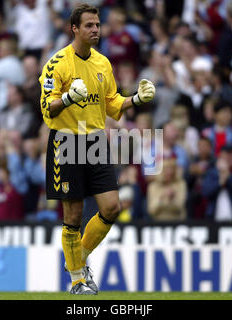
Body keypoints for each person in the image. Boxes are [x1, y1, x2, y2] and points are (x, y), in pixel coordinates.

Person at [38, 4, 155, 295]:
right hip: (66, 141)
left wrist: (137, 99)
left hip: (95, 142)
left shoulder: (103, 63)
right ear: (74, 29)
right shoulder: (57, 63)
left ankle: (78, 258)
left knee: (112, 207)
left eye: (97, 25)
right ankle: (78, 280)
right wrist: (66, 99)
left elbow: (113, 104)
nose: (95, 30)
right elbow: (46, 108)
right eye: (89, 25)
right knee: (73, 215)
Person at [202, 145, 232, 221]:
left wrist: (227, 175)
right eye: (227, 155)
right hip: (214, 219)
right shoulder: (211, 173)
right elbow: (206, 192)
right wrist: (219, 183)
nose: (230, 157)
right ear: (220, 157)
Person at [147, 155, 187, 222]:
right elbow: (152, 210)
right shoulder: (153, 186)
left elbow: (180, 207)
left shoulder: (181, 184)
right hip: (158, 222)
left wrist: (172, 199)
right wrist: (162, 196)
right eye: (166, 169)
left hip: (177, 221)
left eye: (171, 168)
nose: (169, 172)